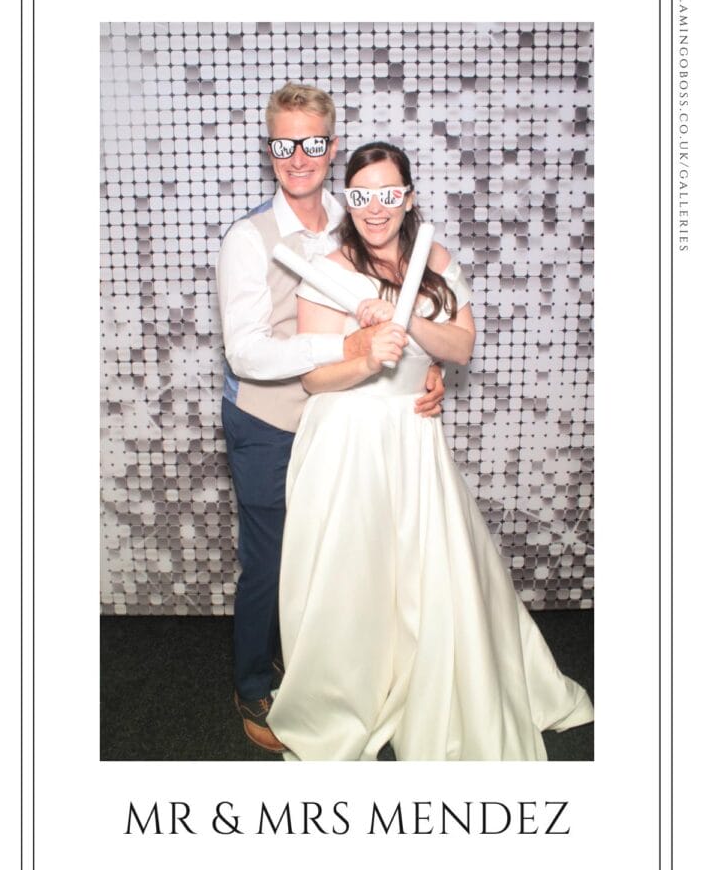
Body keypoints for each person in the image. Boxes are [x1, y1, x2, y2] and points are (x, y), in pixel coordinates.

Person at [267, 141, 595, 760]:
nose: (375, 208)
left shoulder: (435, 258)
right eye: (362, 195)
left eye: (389, 193)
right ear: (348, 201)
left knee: (431, 572)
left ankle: (434, 686)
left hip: (415, 436)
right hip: (349, 439)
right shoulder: (327, 269)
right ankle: (349, 694)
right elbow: (313, 379)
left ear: (409, 197)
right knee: (355, 573)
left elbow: (461, 347)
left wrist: (406, 321)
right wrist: (367, 357)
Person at [216, 86, 447, 753]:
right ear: (269, 150)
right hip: (271, 423)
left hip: (348, 421)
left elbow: (409, 304)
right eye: (285, 144)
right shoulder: (249, 239)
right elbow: (246, 351)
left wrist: (426, 368)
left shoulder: (360, 218)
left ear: (332, 147)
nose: (299, 157)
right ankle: (253, 680)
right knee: (270, 560)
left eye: (313, 143)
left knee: (338, 555)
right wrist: (342, 347)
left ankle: (320, 665)